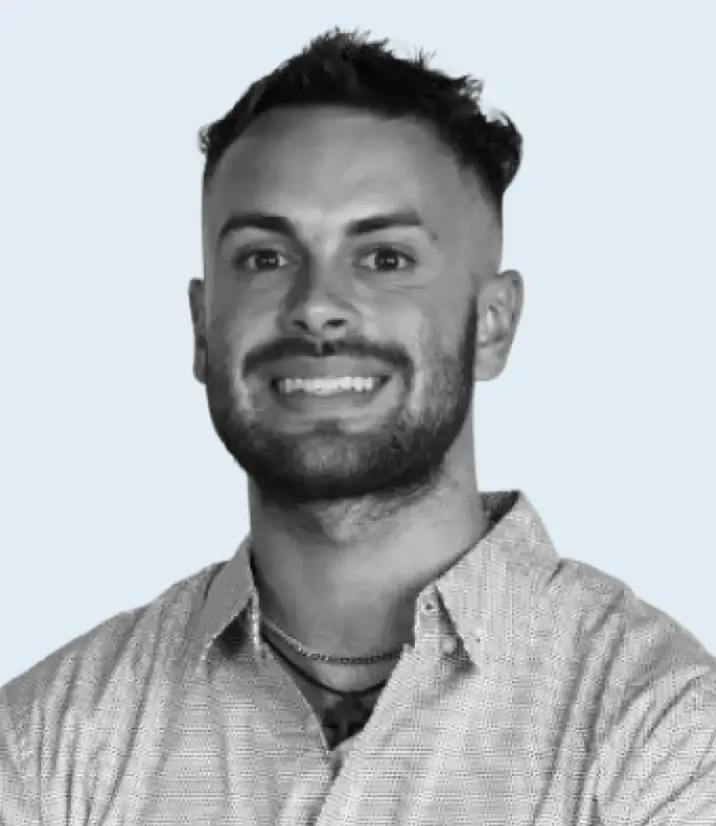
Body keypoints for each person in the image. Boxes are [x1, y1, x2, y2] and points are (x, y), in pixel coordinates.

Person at [1, 27, 714, 825]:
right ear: (204, 332)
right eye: (266, 258)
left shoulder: (663, 734)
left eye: (384, 259)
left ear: (493, 325)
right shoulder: (46, 740)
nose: (316, 307)